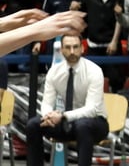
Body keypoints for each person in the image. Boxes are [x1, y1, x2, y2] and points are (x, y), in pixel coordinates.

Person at [25, 33, 108, 166]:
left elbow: (92, 109)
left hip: (96, 123)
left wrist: (63, 116)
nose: (72, 52)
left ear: (82, 48)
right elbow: (46, 102)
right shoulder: (54, 72)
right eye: (67, 47)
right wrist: (48, 116)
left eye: (75, 47)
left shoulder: (94, 71)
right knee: (33, 125)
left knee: (83, 125)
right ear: (61, 50)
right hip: (66, 122)